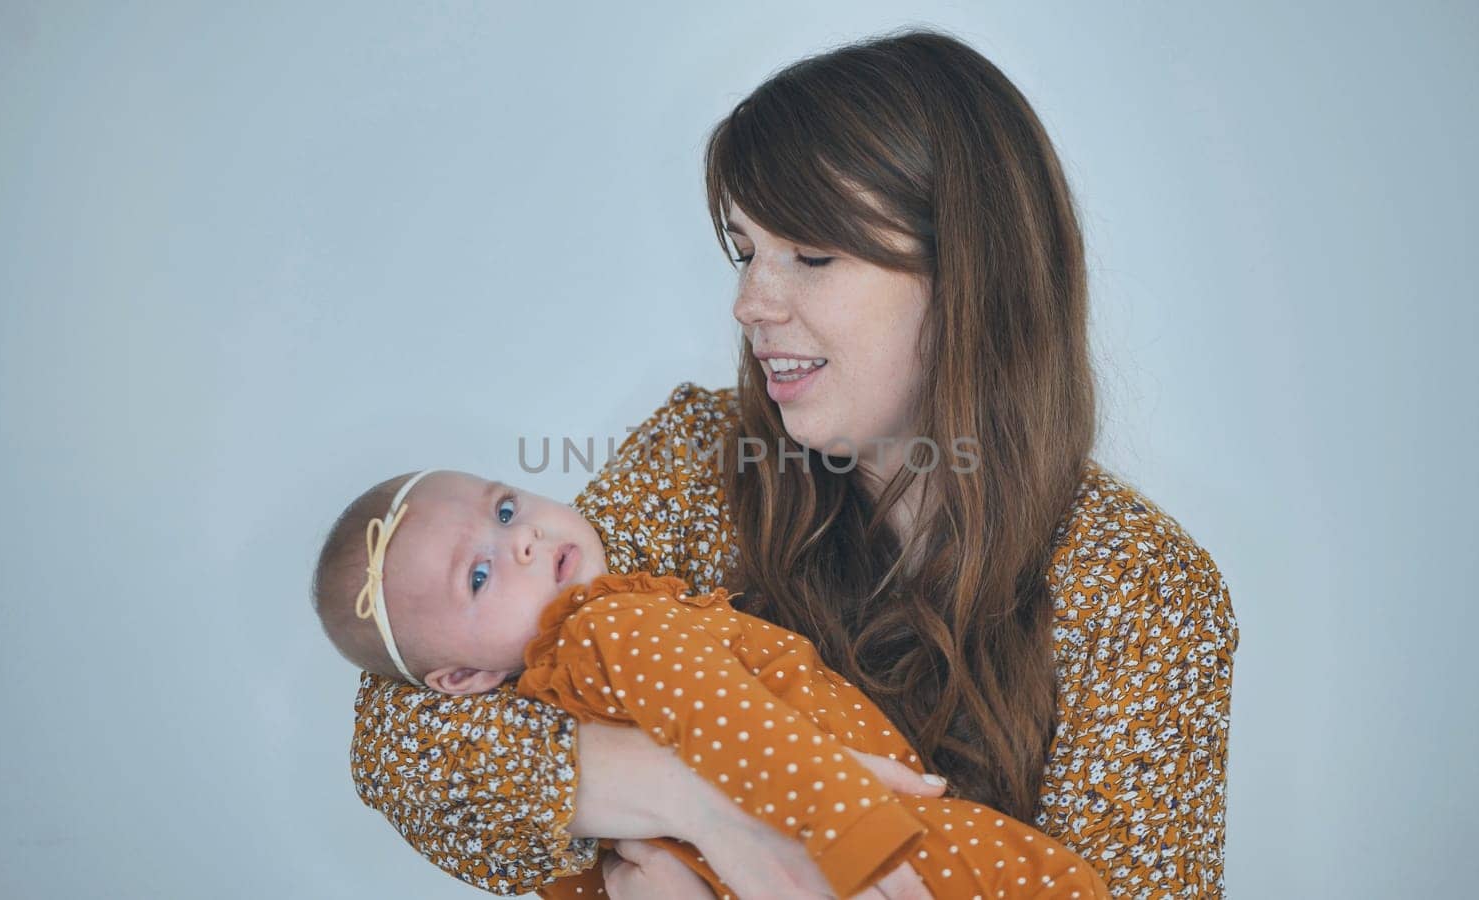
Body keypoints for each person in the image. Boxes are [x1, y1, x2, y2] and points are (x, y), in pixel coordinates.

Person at [343, 28, 1239, 899]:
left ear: (972, 272)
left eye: (811, 255)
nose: (748, 303)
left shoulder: (1145, 594)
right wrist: (709, 804)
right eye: (744, 251)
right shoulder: (697, 460)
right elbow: (408, 721)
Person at [313, 468, 1112, 898]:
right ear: (460, 679)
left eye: (506, 507)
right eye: (480, 575)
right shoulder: (608, 627)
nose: (521, 541)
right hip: (885, 843)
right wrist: (856, 842)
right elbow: (744, 730)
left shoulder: (563, 708)